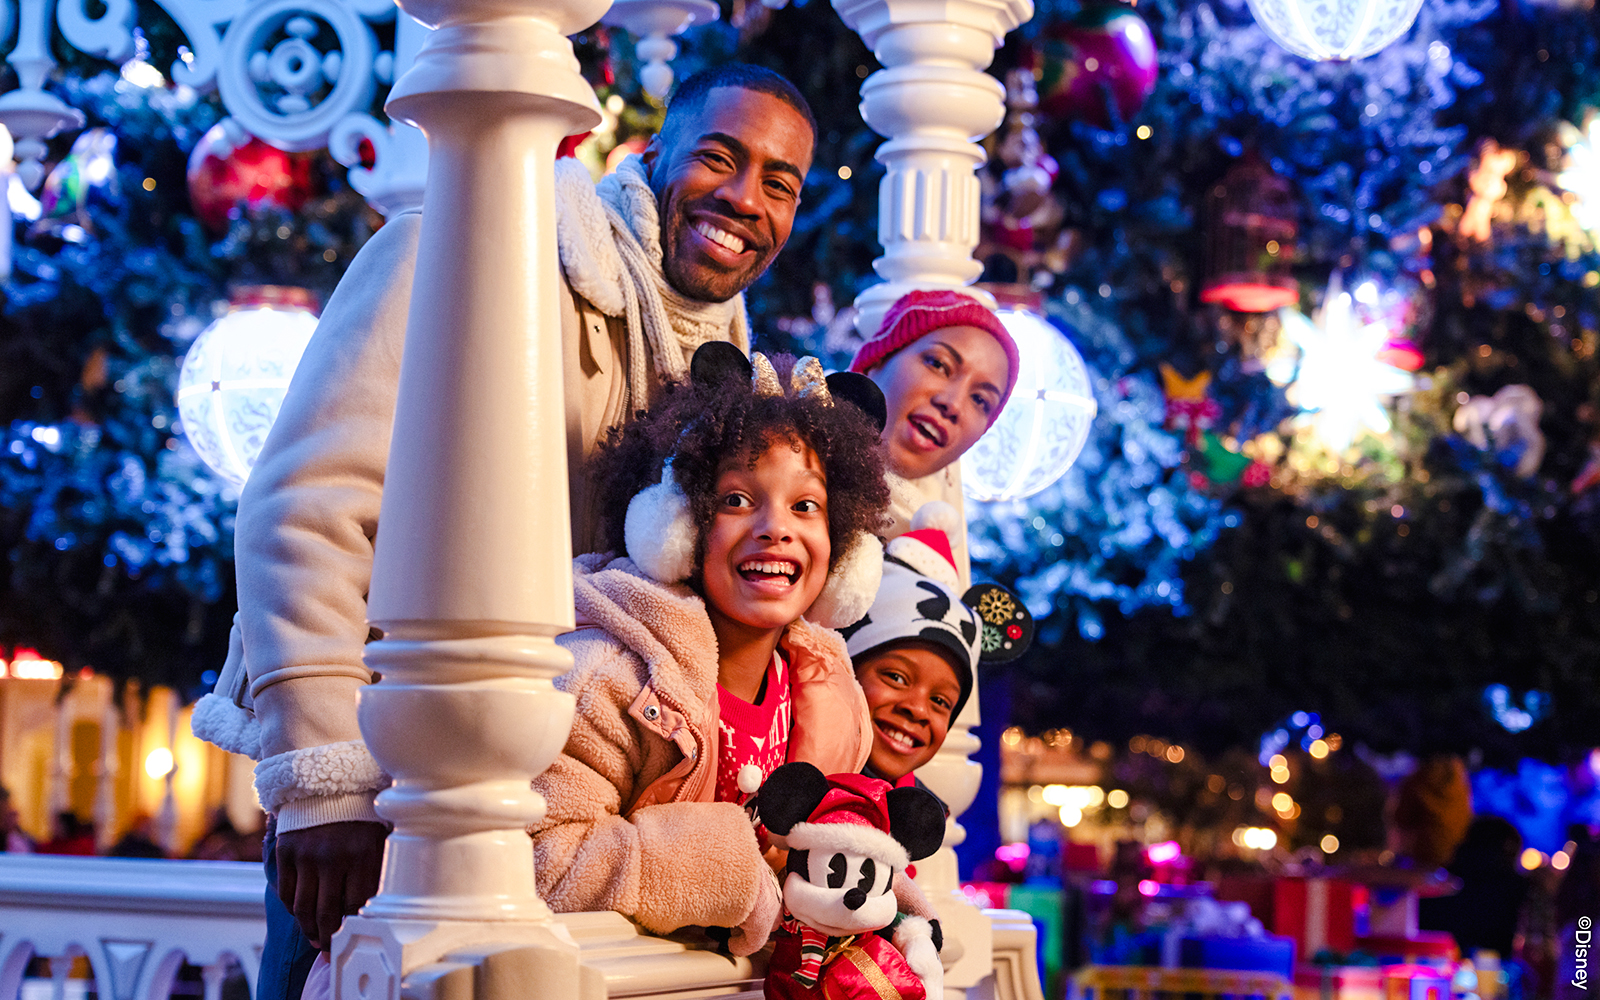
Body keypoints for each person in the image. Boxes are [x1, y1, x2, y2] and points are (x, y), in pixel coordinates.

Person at [190, 65, 819, 1000]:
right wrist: (326, 780)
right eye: (720, 157)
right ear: (653, 157)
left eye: (780, 182)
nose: (745, 196)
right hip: (392, 788)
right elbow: (306, 509)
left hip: (559, 816)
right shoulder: (457, 250)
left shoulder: (723, 373)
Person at [527, 344, 892, 950]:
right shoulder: (608, 681)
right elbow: (545, 863)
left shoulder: (836, 706)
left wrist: (896, 913)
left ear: (844, 548)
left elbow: (839, 867)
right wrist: (734, 874)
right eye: (737, 500)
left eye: (806, 506)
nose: (775, 527)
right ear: (680, 525)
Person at [849, 290, 1020, 580]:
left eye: (980, 401)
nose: (953, 404)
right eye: (938, 365)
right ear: (879, 359)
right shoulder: (785, 469)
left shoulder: (939, 555)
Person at [839, 509, 980, 786]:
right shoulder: (782, 756)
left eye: (940, 702)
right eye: (896, 677)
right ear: (844, 665)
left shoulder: (922, 820)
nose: (917, 710)